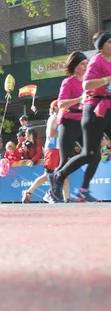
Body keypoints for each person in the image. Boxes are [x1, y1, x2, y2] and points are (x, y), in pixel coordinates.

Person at [49, 32, 111, 202]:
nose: (85, 66)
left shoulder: (97, 71)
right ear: (75, 66)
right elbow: (61, 104)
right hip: (70, 122)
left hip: (91, 116)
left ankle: (83, 190)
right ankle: (53, 189)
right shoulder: (68, 82)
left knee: (94, 155)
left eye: (86, 63)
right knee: (65, 160)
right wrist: (80, 99)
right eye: (82, 64)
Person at [23, 101, 69, 203]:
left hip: (59, 149)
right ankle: (29, 192)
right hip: (52, 149)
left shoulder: (60, 118)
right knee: (48, 175)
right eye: (61, 106)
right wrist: (65, 133)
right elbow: (51, 133)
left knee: (65, 174)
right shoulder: (53, 117)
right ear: (56, 107)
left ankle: (67, 199)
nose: (64, 107)